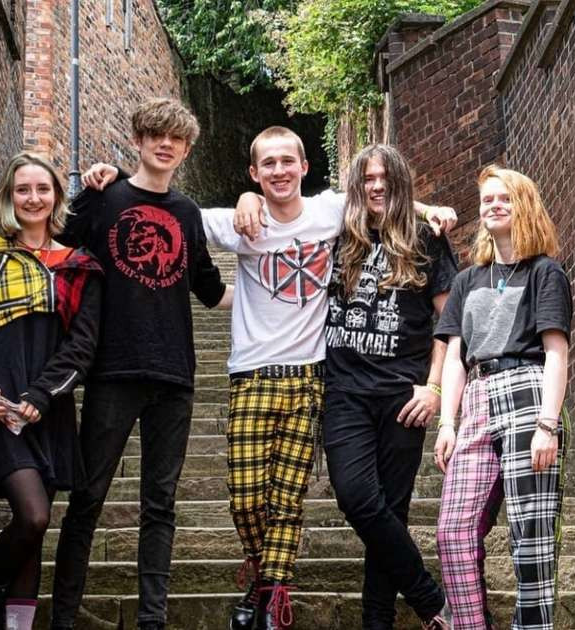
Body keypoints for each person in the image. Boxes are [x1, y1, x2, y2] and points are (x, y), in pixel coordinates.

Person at [80, 128, 456, 630]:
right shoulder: (268, 221)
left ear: (305, 167)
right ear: (254, 173)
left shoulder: (336, 214)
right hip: (283, 377)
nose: (279, 170)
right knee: (262, 498)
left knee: (325, 504)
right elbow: (170, 208)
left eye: (288, 161)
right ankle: (268, 582)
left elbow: (389, 200)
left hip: (328, 379)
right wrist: (118, 178)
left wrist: (433, 210)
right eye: (267, 165)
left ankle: (289, 607)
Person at [0, 97, 232, 630]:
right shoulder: (102, 198)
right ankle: (64, 619)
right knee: (87, 500)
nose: (164, 145)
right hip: (111, 372)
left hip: (176, 376)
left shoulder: (189, 213)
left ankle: (152, 620)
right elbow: (41, 242)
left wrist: (290, 291)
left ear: (187, 149)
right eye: (154, 135)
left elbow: (212, 290)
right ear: (139, 138)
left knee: (161, 505)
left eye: (175, 139)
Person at [0, 152, 103, 630]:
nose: (33, 198)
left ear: (56, 195)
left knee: (35, 531)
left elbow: (83, 347)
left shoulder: (80, 266)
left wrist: (41, 395)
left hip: (48, 409)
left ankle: (4, 619)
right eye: (22, 190)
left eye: (42, 189)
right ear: (9, 197)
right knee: (32, 517)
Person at [321, 144, 456, 630]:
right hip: (344, 392)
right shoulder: (336, 232)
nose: (376, 185)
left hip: (405, 396)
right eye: (367, 178)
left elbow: (451, 322)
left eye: (385, 177)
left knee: (391, 512)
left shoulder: (425, 239)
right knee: (356, 497)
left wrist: (434, 389)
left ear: (400, 182)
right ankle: (428, 597)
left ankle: (376, 621)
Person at [433, 164, 572, 630]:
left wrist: (547, 425)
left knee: (530, 536)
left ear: (524, 206)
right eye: (487, 199)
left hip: (528, 391)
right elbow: (455, 356)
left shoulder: (545, 272)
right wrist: (447, 423)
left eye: (503, 198)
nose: (492, 205)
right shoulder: (467, 280)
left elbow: (555, 351)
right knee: (453, 531)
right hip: (475, 395)